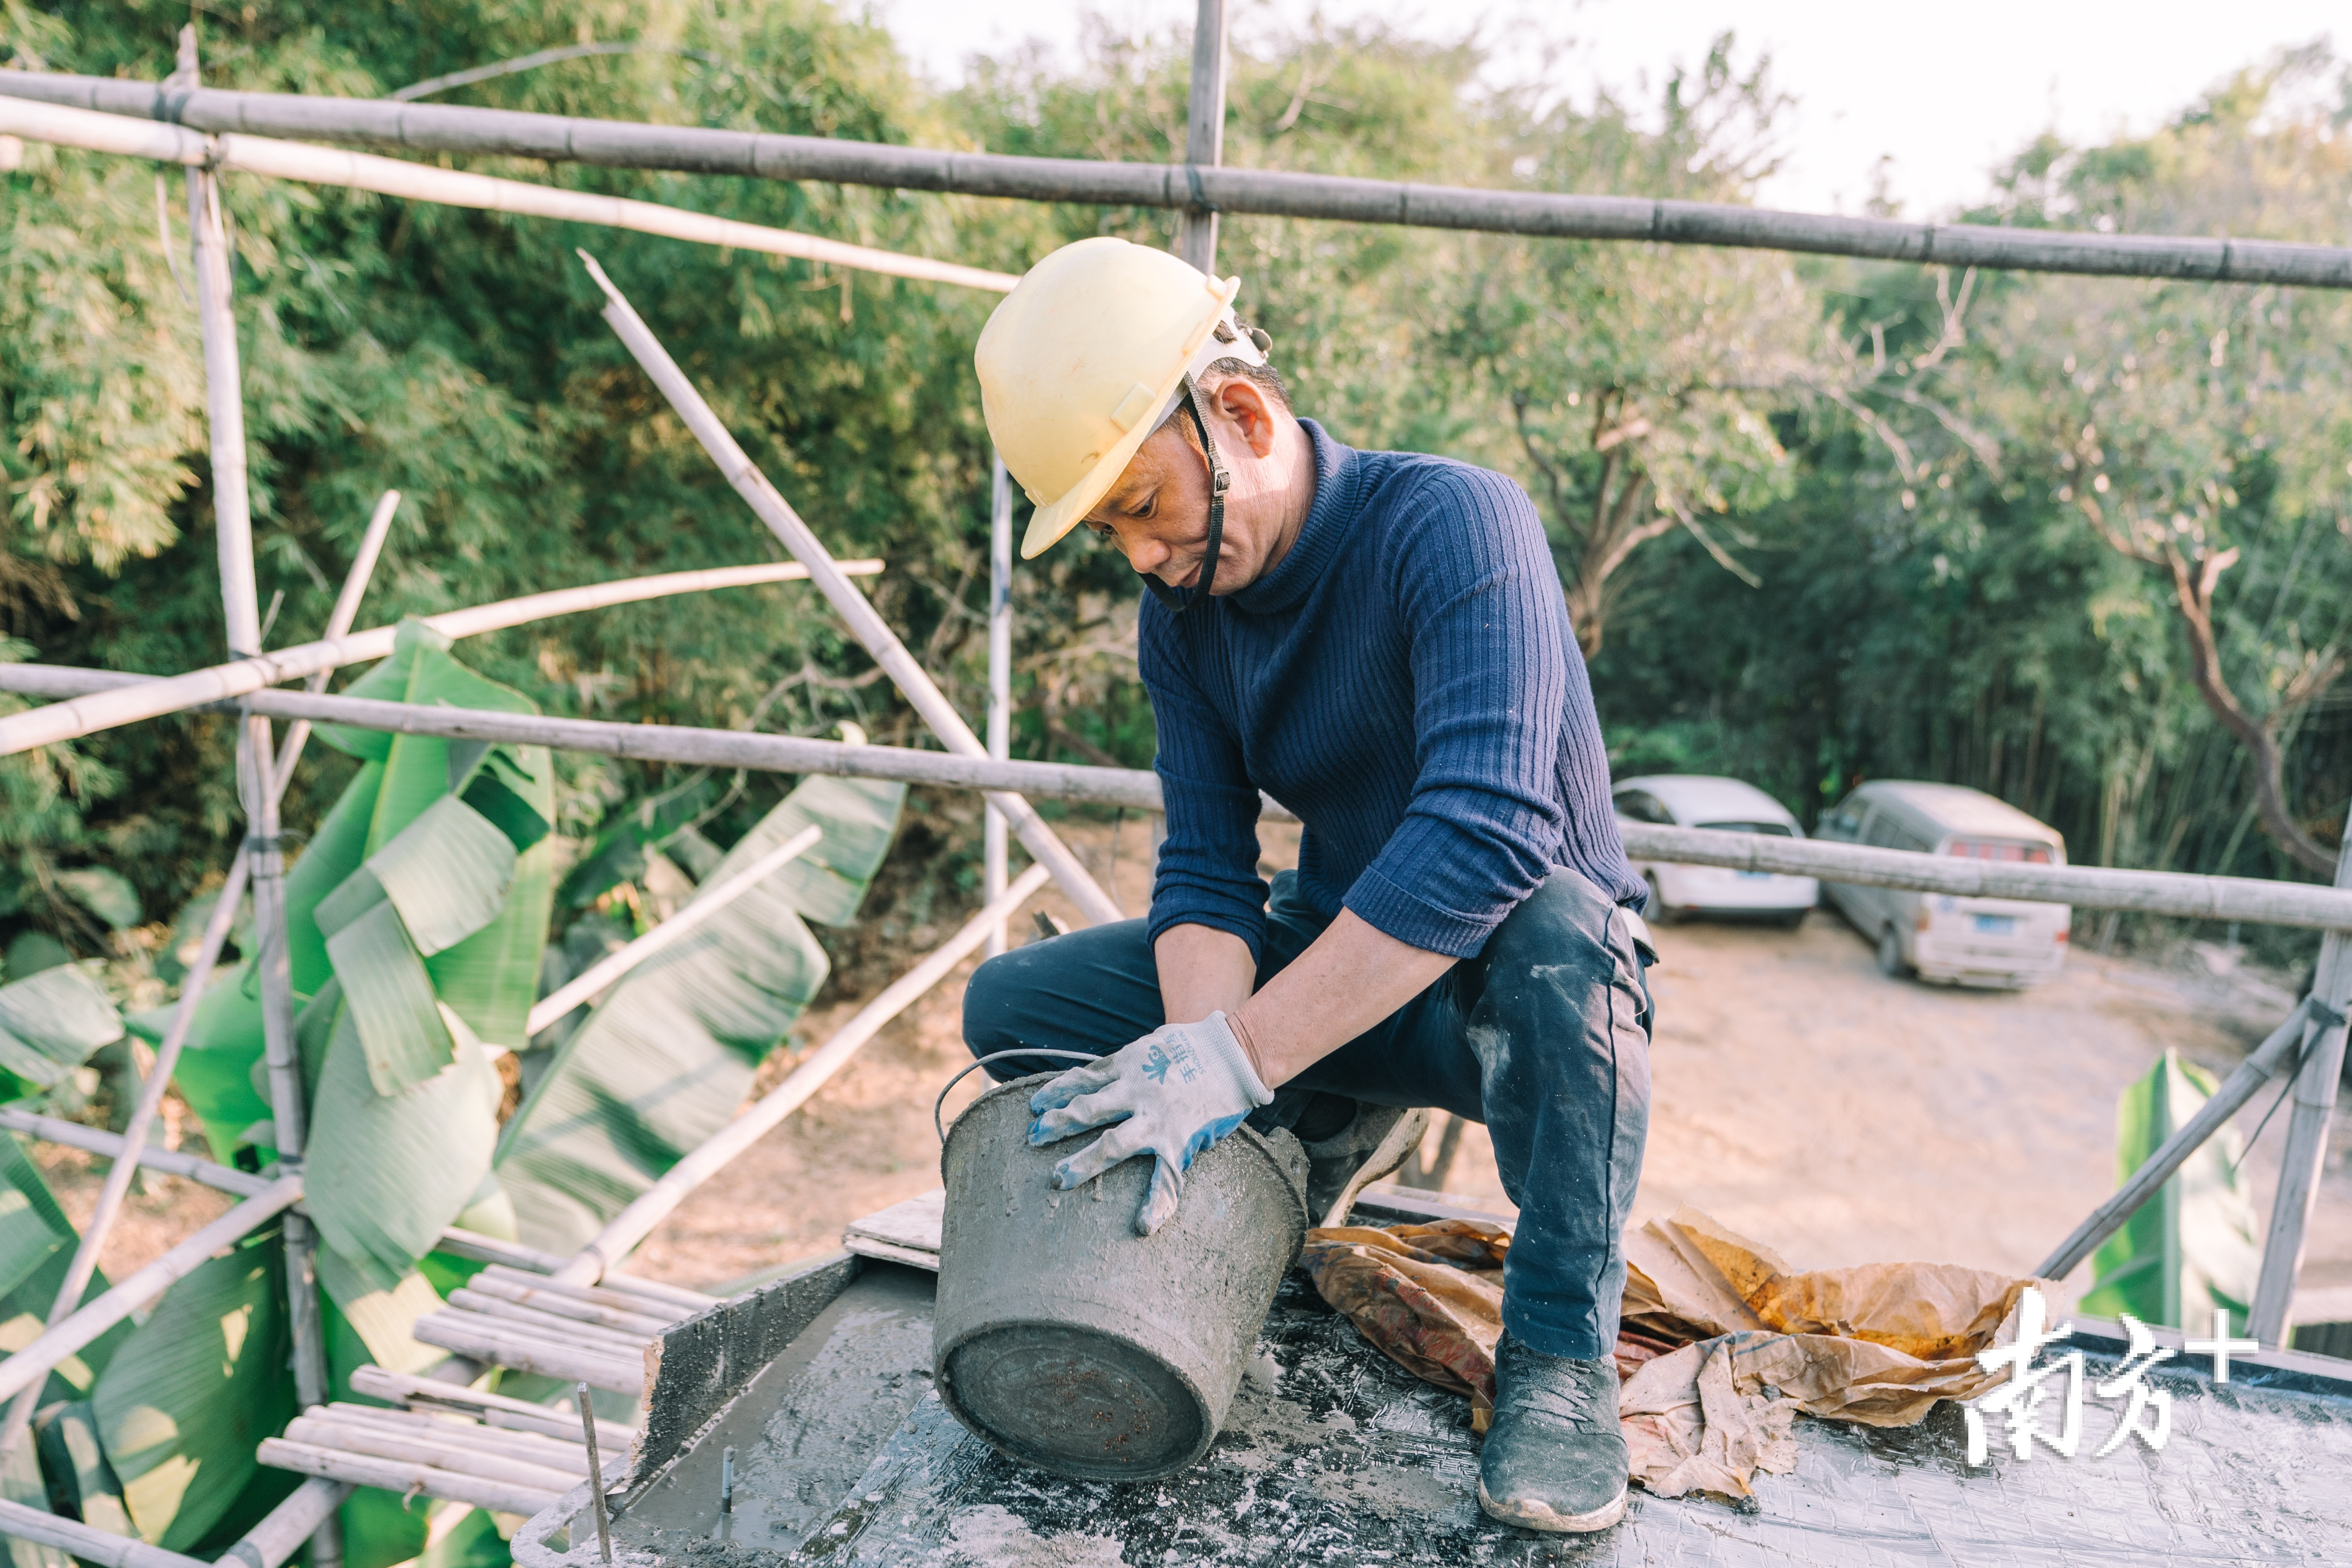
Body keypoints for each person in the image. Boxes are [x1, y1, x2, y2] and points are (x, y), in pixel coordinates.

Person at [959, 235, 1655, 1534]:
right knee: (1015, 1010)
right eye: (1106, 527)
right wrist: (1188, 1056)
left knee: (1569, 942)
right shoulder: (1186, 619)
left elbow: (1489, 833)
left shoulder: (1455, 523)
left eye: (1139, 503)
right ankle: (1275, 1167)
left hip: (1503, 1002)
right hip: (1337, 978)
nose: (1139, 554)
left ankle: (1560, 1358)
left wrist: (1234, 1060)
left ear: (1237, 414)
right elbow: (1207, 867)